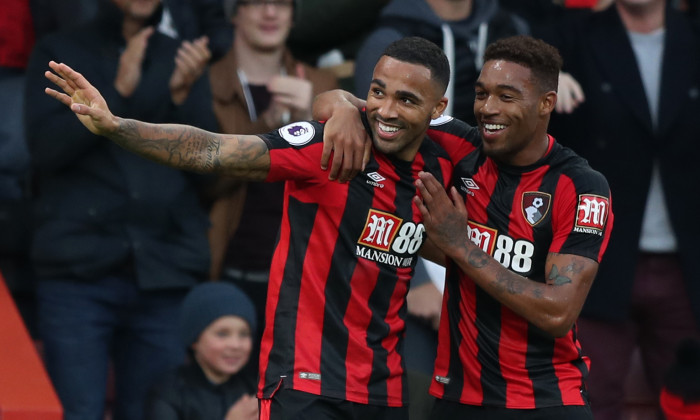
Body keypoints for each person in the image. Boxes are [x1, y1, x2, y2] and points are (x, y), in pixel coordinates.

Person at [44, 36, 454, 419]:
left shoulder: (449, 161)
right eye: (377, 92)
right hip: (305, 384)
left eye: (407, 100)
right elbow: (212, 149)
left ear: (438, 109)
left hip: (385, 391)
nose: (385, 110)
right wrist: (117, 127)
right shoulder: (324, 145)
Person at [313, 34, 613, 419]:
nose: (488, 108)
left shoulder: (583, 187)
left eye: (506, 96)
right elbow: (369, 109)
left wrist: (460, 245)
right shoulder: (461, 145)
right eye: (482, 93)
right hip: (456, 401)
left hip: (544, 401)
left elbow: (558, 313)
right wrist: (338, 109)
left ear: (545, 103)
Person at [24, 1, 217, 419]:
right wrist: (119, 92)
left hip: (163, 272)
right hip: (78, 273)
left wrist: (183, 100)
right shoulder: (61, 51)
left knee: (155, 414)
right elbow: (44, 153)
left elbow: (211, 174)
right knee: (77, 412)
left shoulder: (181, 55)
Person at [541, 1, 700, 418]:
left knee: (689, 403)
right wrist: (545, 81)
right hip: (599, 260)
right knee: (590, 400)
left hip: (686, 264)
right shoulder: (573, 37)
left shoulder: (691, 35)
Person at [206, 0, 338, 379]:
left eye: (281, 3)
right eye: (256, 2)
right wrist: (266, 134)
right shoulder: (208, 81)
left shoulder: (325, 88)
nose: (270, 13)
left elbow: (352, 179)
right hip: (232, 269)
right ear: (234, 12)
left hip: (306, 279)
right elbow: (200, 184)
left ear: (294, 14)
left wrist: (309, 124)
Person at [353, 0, 529, 125]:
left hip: (496, 165)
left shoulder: (510, 26)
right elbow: (377, 128)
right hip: (428, 169)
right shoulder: (387, 40)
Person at [145, 282, 259, 420]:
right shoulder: (169, 393)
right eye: (222, 334)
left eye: (244, 334)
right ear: (194, 340)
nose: (235, 345)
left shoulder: (254, 390)